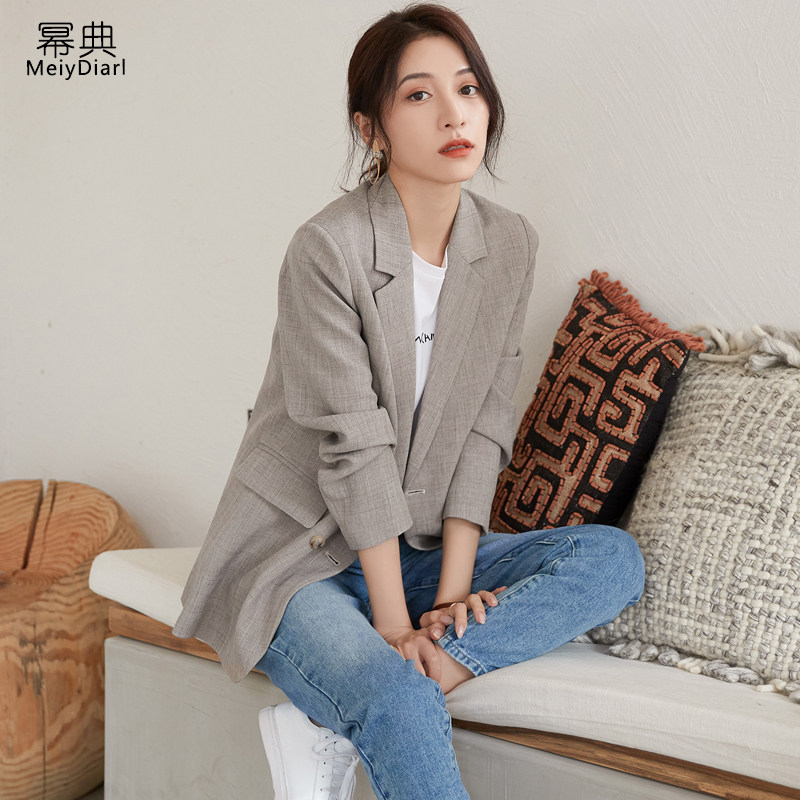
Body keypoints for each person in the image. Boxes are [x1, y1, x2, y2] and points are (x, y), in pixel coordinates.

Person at [172, 3, 645, 799]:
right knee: (393, 696)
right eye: (419, 95)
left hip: (418, 551)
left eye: (467, 88)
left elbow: (484, 429)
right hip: (301, 554)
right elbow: (353, 446)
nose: (454, 114)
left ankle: (402, 685)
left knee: (612, 559)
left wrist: (452, 605)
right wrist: (392, 625)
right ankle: (381, 694)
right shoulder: (328, 249)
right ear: (372, 128)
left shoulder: (509, 244)